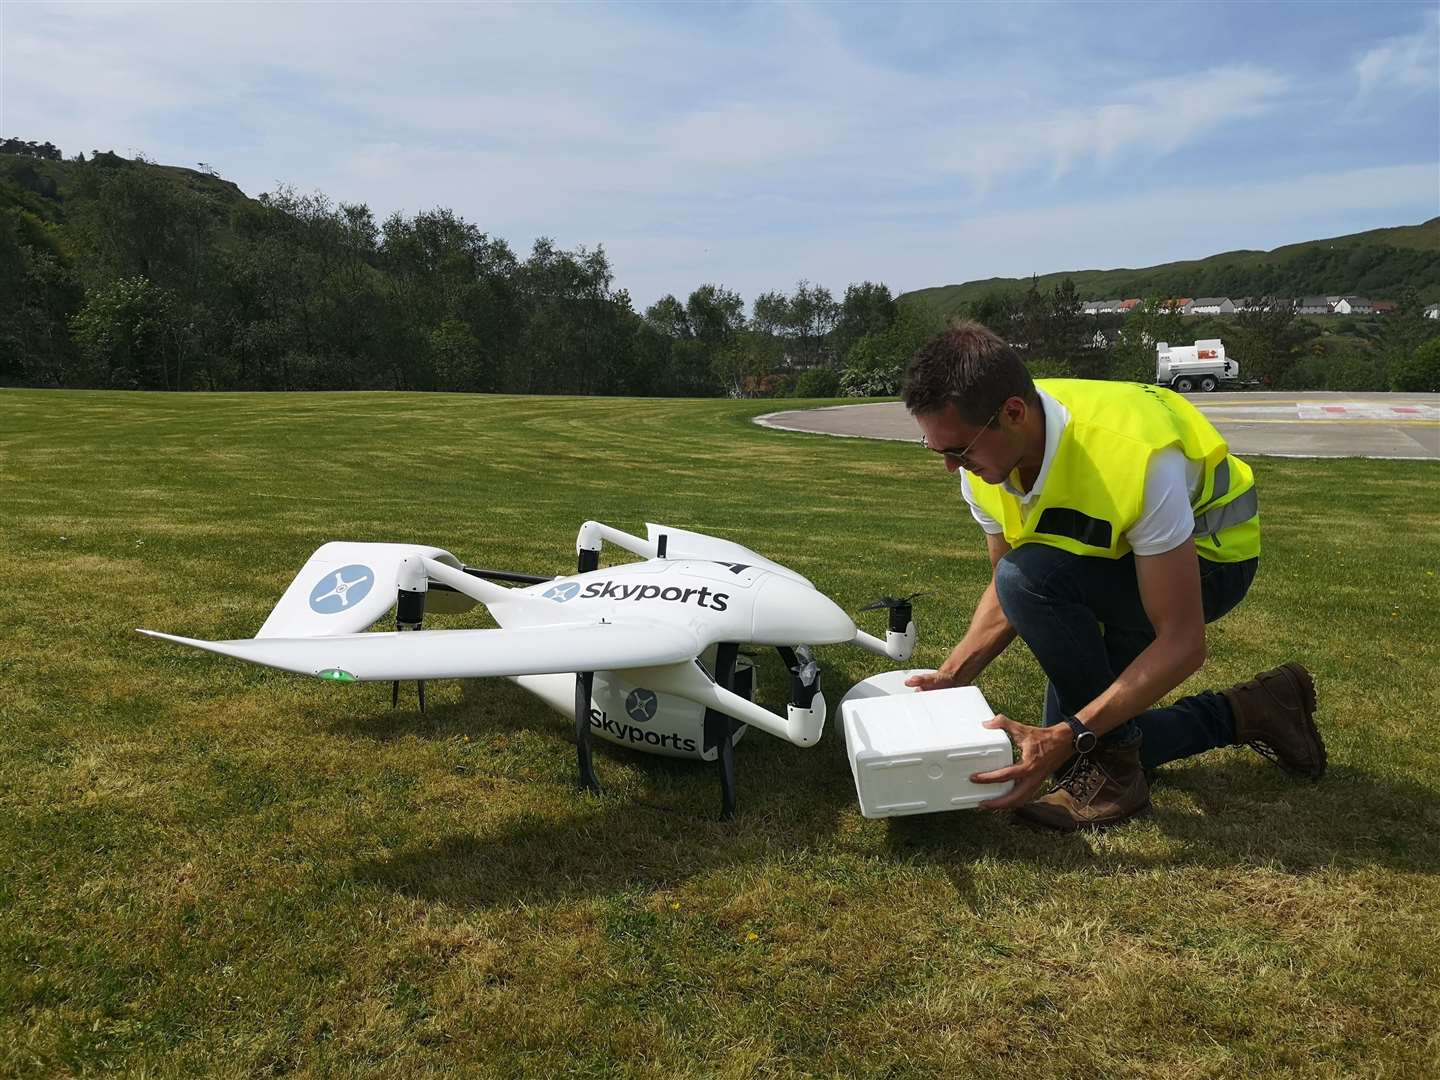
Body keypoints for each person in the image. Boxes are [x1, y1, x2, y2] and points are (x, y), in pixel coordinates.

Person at [902, 321, 1325, 831]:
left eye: (958, 451)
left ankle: (1116, 773)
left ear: (1013, 413)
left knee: (1085, 736)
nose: (951, 467)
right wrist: (954, 676)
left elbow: (1183, 644)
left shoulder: (1139, 459)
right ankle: (1255, 708)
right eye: (937, 450)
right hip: (1117, 558)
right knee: (1090, 734)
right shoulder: (988, 461)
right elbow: (1009, 589)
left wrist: (1071, 734)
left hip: (1212, 560)